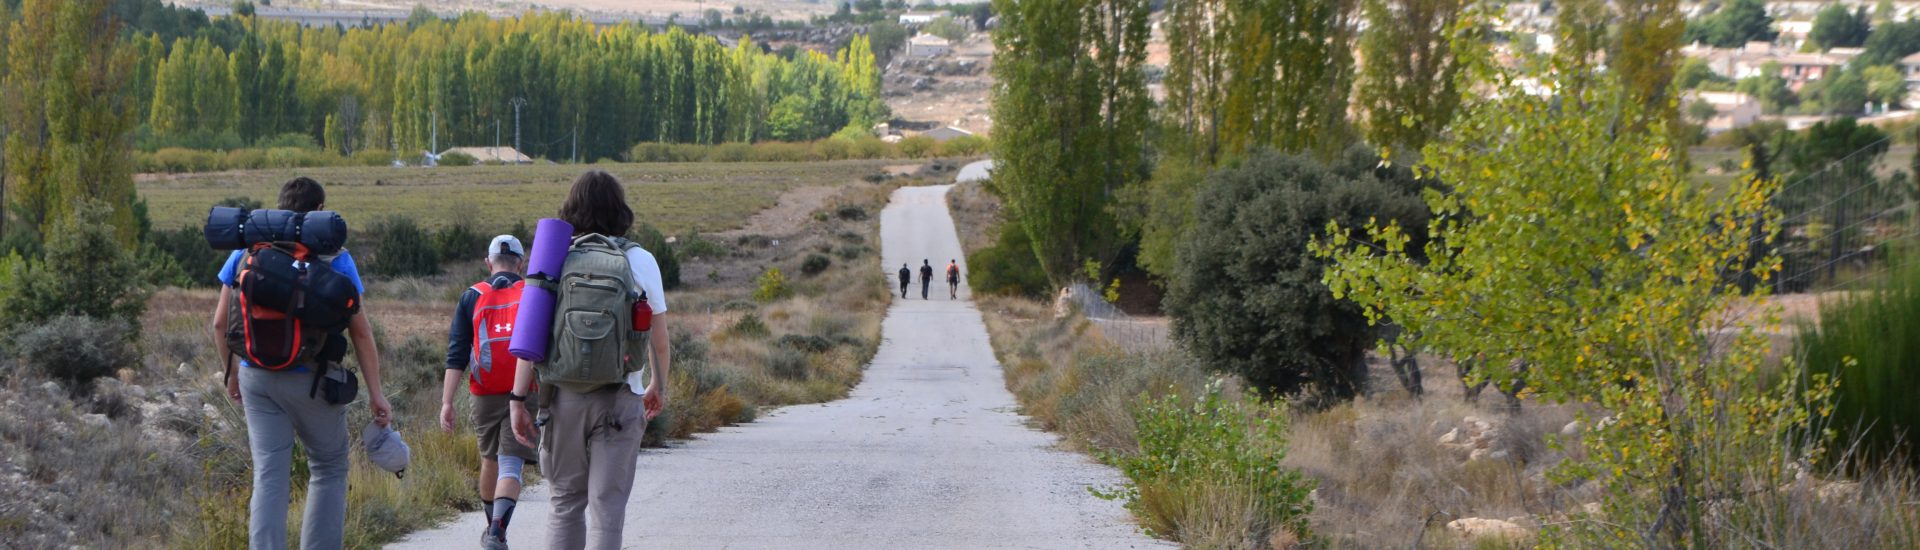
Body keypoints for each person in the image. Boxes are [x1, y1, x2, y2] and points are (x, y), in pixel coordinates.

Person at [211, 177, 391, 550]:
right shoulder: (336, 258)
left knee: (269, 475)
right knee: (328, 469)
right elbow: (360, 332)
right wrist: (376, 394)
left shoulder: (245, 252)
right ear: (320, 212)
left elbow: (218, 323)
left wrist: (230, 376)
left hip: (255, 376)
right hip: (312, 380)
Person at [509, 171, 672, 550]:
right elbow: (659, 341)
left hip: (563, 399)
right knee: (607, 510)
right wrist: (657, 386)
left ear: (571, 210)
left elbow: (530, 336)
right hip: (620, 396)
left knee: (565, 502)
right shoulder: (640, 260)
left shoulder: (554, 255)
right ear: (621, 211)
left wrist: (518, 400)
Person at [441, 235, 535, 550]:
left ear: (488, 262)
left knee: (489, 459)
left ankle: (492, 528)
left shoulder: (471, 296)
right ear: (520, 263)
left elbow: (456, 353)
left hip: (483, 392)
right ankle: (497, 532)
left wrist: (446, 402)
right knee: (511, 463)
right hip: (523, 390)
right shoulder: (531, 293)